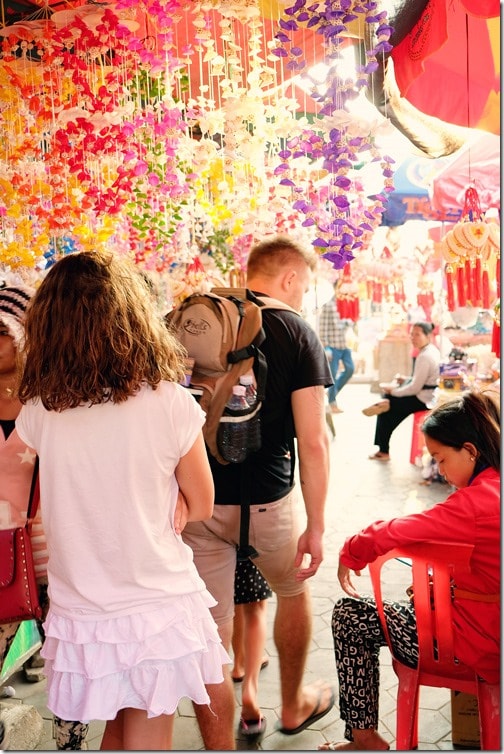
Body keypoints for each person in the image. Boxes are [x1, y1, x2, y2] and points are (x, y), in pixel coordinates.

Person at [15, 251, 229, 751]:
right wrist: (175, 496)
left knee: (119, 726)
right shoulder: (168, 401)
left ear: (49, 326)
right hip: (153, 594)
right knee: (147, 732)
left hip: (83, 602)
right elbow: (202, 503)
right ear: (131, 317)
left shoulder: (42, 410)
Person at [181, 235, 335, 749]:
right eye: (305, 286)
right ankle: (291, 709)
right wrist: (316, 525)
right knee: (291, 591)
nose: (305, 296)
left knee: (212, 632)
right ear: (290, 278)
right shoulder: (295, 329)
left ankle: (218, 745)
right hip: (270, 501)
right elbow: (312, 440)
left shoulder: (200, 317)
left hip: (198, 503)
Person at [319, 390, 500, 751]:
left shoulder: (475, 503)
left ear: (470, 450)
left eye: (440, 458)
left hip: (475, 644)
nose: (439, 469)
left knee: (350, 615)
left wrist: (351, 549)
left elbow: (398, 529)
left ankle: (364, 738)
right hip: (490, 628)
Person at [0, 284, 89, 751]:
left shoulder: (55, 400)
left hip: (54, 553)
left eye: (1, 331)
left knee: (68, 662)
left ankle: (68, 744)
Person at [364, 321, 440, 462]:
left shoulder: (424, 356)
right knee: (387, 401)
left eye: (417, 334)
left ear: (428, 335)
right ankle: (384, 404)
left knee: (386, 409)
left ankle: (383, 451)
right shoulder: (431, 350)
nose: (413, 338)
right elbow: (420, 380)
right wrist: (406, 379)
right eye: (412, 334)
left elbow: (415, 388)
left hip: (423, 399)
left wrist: (393, 392)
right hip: (427, 394)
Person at [231, 558, 271, 739]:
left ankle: (238, 665)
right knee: (255, 604)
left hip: (209, 535)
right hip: (248, 533)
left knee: (231, 600)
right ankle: (250, 693)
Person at [318, 281, 355, 413]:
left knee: (350, 369)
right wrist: (325, 346)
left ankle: (332, 394)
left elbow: (352, 323)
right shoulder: (328, 306)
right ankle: (332, 402)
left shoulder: (349, 304)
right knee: (332, 375)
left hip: (345, 344)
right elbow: (322, 327)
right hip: (332, 345)